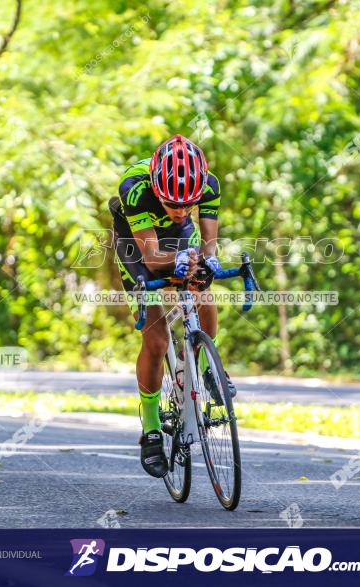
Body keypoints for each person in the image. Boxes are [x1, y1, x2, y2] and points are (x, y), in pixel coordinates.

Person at [109, 134, 235, 478]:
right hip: (137, 246)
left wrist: (204, 264)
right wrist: (176, 261)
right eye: (172, 204)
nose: (181, 211)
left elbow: (209, 247)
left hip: (180, 240)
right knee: (156, 340)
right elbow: (151, 257)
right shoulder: (134, 188)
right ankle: (150, 429)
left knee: (203, 290)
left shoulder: (208, 185)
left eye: (188, 205)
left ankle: (200, 364)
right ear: (156, 189)